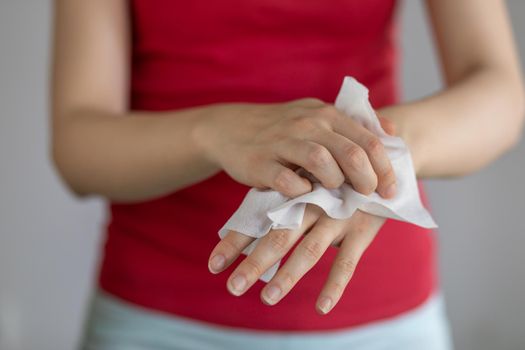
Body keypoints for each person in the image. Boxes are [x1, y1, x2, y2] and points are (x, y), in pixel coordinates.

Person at [51, 0, 524, 349]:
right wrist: (215, 132)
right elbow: (78, 144)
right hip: (157, 315)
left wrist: (379, 153)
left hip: (379, 314)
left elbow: (498, 88)